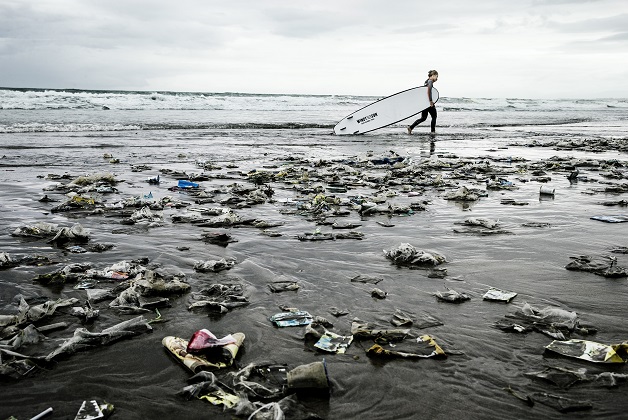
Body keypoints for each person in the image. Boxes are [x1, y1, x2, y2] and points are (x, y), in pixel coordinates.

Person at [407, 70, 438, 135]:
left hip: (424, 103)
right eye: (436, 76)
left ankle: (411, 127)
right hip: (428, 103)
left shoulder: (426, 81)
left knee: (423, 118)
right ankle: (433, 132)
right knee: (434, 116)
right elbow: (429, 91)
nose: (437, 78)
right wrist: (430, 101)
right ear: (432, 76)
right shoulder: (430, 82)